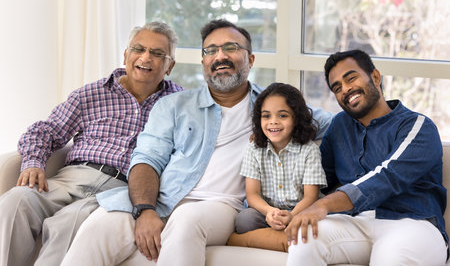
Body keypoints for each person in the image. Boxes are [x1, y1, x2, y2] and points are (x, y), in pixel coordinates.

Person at [60, 19, 334, 266]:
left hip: (221, 206)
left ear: (250, 59)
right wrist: (145, 210)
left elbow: (336, 122)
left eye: (231, 47)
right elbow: (146, 160)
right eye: (210, 50)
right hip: (162, 200)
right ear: (203, 62)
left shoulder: (274, 107)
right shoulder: (174, 105)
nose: (220, 56)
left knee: (186, 221)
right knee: (98, 226)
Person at [0, 21, 183, 266]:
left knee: (70, 221)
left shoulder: (180, 104)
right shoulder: (91, 94)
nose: (145, 57)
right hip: (72, 177)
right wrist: (34, 163)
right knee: (16, 200)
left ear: (169, 66)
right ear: (125, 55)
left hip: (122, 189)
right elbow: (45, 131)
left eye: (157, 53)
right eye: (138, 49)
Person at [285, 49, 448, 265]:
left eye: (351, 78)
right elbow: (317, 179)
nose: (345, 89)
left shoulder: (417, 126)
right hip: (355, 222)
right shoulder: (339, 126)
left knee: (391, 258)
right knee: (305, 240)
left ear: (376, 77)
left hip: (414, 223)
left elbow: (387, 177)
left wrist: (323, 205)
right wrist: (272, 142)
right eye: (337, 88)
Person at [234, 82, 327, 234]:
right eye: (266, 116)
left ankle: (286, 233)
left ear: (296, 118)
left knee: (315, 224)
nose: (273, 122)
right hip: (266, 211)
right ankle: (275, 233)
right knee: (245, 220)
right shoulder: (254, 149)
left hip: (301, 209)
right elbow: (252, 194)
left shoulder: (310, 150)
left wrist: (292, 215)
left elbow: (311, 197)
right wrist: (270, 212)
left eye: (282, 115)